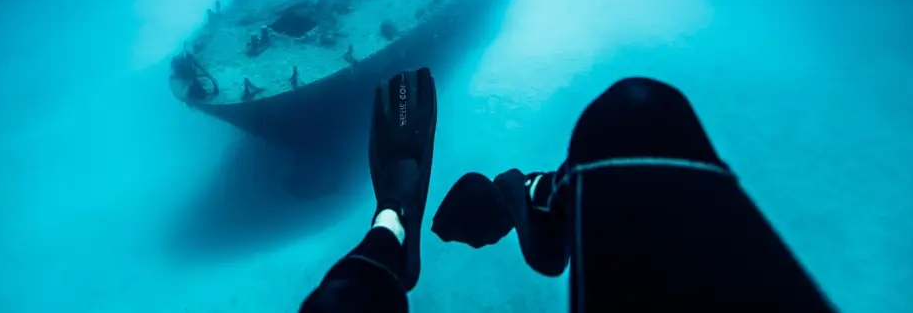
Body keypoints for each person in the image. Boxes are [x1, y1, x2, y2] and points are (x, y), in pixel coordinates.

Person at [299, 68, 839, 312]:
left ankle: (393, 216)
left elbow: (548, 260)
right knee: (638, 110)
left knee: (631, 116)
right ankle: (528, 195)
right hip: (608, 162)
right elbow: (547, 258)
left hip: (576, 181)